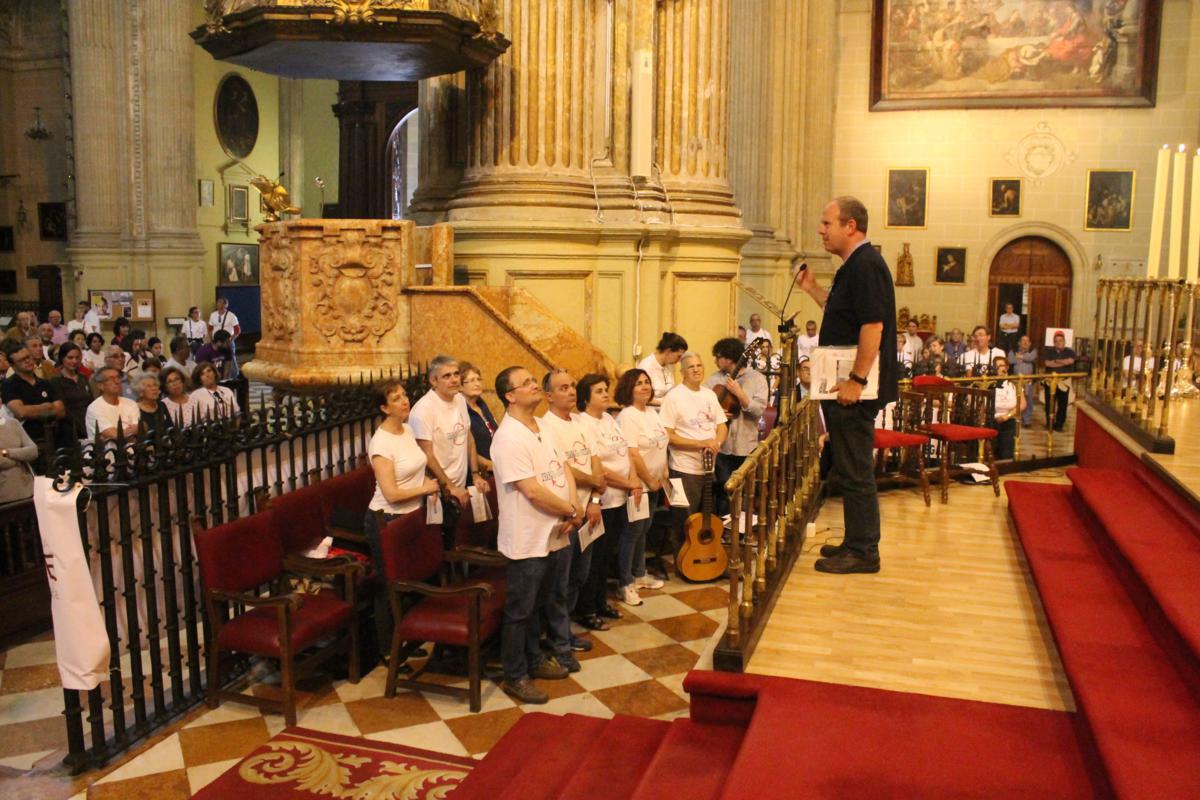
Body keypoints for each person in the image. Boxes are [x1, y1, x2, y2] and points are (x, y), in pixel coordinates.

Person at [792, 196, 897, 574]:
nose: (821, 230)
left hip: (854, 389)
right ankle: (855, 542)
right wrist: (811, 288)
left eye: (827, 223)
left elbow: (873, 325)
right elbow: (844, 316)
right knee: (850, 468)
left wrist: (856, 379)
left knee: (855, 470)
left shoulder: (866, 265)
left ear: (850, 226)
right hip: (844, 387)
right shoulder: (852, 266)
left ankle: (865, 552)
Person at [490, 365, 581, 705]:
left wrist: (573, 505)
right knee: (520, 611)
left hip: (555, 529)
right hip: (527, 538)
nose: (534, 385)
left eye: (533, 380)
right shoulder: (508, 437)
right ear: (510, 396)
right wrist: (569, 510)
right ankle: (515, 675)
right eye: (526, 383)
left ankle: (535, 658)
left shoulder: (541, 425)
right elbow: (532, 491)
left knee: (542, 603)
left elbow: (564, 468)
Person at [362, 379, 441, 664]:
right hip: (387, 520)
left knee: (410, 580)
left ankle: (406, 636)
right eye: (396, 399)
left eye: (404, 395)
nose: (404, 401)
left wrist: (427, 485)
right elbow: (392, 493)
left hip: (411, 516)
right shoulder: (380, 443)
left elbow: (416, 470)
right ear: (384, 408)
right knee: (389, 585)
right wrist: (426, 489)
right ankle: (388, 650)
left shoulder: (407, 429)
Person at [537, 369, 607, 637]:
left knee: (580, 574)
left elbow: (595, 458)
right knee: (560, 580)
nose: (571, 391)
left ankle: (566, 627)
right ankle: (558, 634)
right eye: (563, 388)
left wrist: (596, 498)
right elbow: (564, 467)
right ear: (549, 396)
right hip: (566, 513)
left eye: (573, 385)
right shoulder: (546, 427)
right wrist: (593, 481)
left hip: (589, 507)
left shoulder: (580, 422)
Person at [576, 373, 643, 608]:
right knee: (594, 558)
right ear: (585, 398)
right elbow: (599, 467)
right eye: (599, 391)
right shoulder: (583, 424)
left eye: (606, 389)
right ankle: (588, 607)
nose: (606, 394)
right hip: (601, 500)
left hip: (620, 499)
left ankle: (601, 602)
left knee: (607, 556)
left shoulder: (609, 419)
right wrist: (629, 484)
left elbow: (625, 453)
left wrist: (634, 479)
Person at [409, 356, 490, 525]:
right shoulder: (423, 410)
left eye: (456, 374)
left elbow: (469, 437)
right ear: (433, 380)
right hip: (438, 489)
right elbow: (427, 455)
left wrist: (475, 474)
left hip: (461, 483)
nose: (454, 380)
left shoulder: (460, 399)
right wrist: (450, 486)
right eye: (446, 376)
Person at [660, 352, 728, 551]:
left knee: (706, 519)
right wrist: (702, 444)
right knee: (684, 521)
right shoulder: (674, 397)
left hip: (708, 468)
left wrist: (716, 442)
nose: (696, 369)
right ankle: (684, 561)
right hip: (683, 469)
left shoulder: (708, 394)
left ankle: (705, 557)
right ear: (682, 372)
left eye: (699, 365)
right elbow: (668, 435)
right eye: (691, 367)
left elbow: (722, 425)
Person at [615, 369, 670, 602]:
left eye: (647, 382)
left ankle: (639, 573)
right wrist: (647, 479)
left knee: (644, 531)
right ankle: (625, 581)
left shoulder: (651, 412)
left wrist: (663, 474)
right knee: (632, 533)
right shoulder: (627, 416)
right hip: (640, 483)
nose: (645, 387)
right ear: (629, 388)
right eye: (639, 384)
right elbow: (633, 453)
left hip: (655, 483)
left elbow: (661, 444)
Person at [704, 337, 768, 518]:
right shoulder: (714, 379)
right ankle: (724, 529)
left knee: (745, 492)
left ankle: (742, 531)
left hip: (745, 446)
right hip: (722, 447)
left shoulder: (757, 379)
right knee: (724, 490)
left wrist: (740, 394)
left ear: (730, 358)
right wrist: (718, 414)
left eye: (718, 357)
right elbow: (703, 409)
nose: (716, 361)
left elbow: (758, 410)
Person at [1, 342, 65, 452]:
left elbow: (61, 411)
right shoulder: (9, 385)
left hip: (52, 435)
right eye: (21, 360)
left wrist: (33, 410)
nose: (27, 361)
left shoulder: (45, 383)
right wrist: (48, 406)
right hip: (27, 439)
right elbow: (21, 412)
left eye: (28, 357)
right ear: (13, 365)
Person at [84, 367, 140, 440]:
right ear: (100, 386)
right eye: (111, 379)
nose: (117, 381)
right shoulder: (95, 408)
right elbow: (115, 435)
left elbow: (140, 428)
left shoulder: (131, 403)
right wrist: (131, 430)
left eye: (118, 377)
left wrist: (131, 431)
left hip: (133, 448)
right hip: (108, 450)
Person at [459, 362, 496, 473]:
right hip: (478, 472)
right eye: (471, 381)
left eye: (478, 379)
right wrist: (492, 466)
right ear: (460, 386)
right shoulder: (460, 410)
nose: (477, 383)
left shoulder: (481, 404)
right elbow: (465, 448)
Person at [51, 343, 92, 440]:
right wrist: (81, 427)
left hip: (88, 421)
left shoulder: (82, 378)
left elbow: (91, 401)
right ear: (62, 358)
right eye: (70, 358)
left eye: (77, 358)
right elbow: (63, 409)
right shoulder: (56, 381)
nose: (74, 361)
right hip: (70, 427)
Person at [637, 332, 688, 406]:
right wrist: (665, 403)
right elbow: (642, 397)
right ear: (668, 351)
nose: (679, 360)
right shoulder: (646, 366)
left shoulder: (668, 366)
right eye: (678, 356)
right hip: (652, 410)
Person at [0, 407, 39, 502]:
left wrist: (7, 452)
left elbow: (33, 451)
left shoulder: (13, 423)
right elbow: (4, 463)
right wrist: (21, 455)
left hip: (29, 490)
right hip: (4, 495)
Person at [991, 356, 1024, 460]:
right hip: (992, 420)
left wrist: (1008, 415)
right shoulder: (989, 383)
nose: (999, 368)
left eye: (1001, 365)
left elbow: (1022, 404)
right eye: (996, 366)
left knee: (1006, 454)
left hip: (1009, 419)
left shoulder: (1014, 384)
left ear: (1007, 367)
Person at [1042, 331, 1075, 431]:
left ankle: (1059, 424)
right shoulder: (1049, 352)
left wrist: (1056, 361)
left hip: (1064, 382)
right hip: (1050, 381)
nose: (1058, 343)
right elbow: (1048, 364)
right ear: (1054, 343)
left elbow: (1070, 361)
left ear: (1064, 342)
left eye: (1060, 341)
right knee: (1049, 404)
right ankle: (1050, 423)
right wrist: (1062, 362)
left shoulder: (1070, 351)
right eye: (1056, 341)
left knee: (1063, 405)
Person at [208, 298, 241, 377]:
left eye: (220, 302)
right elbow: (210, 328)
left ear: (225, 304)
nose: (218, 304)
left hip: (227, 342)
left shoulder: (231, 316)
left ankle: (234, 377)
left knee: (231, 360)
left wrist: (230, 340)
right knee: (217, 359)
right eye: (218, 302)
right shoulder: (213, 315)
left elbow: (237, 330)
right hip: (216, 342)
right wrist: (211, 339)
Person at [1011, 335, 1038, 426]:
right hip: (1015, 380)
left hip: (1028, 380)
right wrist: (1023, 358)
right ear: (1019, 343)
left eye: (1027, 341)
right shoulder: (1013, 351)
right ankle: (1015, 418)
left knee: (1028, 400)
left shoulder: (1033, 351)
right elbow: (1010, 360)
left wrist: (1020, 357)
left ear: (1030, 343)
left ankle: (1026, 420)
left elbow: (1031, 358)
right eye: (1023, 341)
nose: (1025, 343)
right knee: (1015, 399)